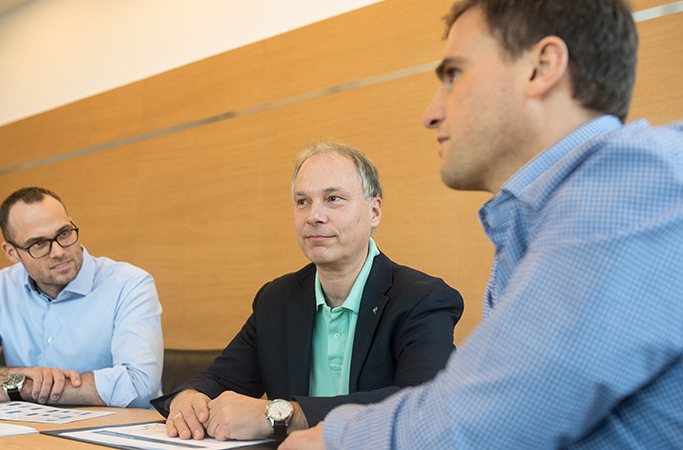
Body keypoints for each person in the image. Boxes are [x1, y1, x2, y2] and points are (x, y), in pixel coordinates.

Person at [281, 0, 683, 448]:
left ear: (541, 67)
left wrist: (333, 439)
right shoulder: (532, 223)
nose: (431, 113)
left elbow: (483, 420)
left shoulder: (636, 180)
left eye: (453, 75)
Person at [152, 142, 463, 441]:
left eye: (333, 199)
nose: (314, 215)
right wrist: (191, 397)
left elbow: (424, 402)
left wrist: (284, 415)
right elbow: (220, 379)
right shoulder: (276, 299)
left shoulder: (422, 299)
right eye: (303, 201)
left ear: (374, 212)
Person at [0, 187, 163, 408]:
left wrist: (17, 386)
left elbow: (138, 385)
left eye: (64, 233)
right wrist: (16, 375)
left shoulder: (129, 283)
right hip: (27, 432)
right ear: (11, 252)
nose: (59, 251)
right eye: (39, 244)